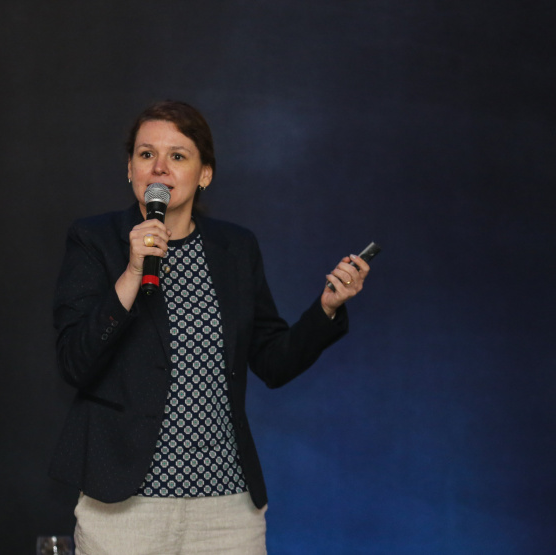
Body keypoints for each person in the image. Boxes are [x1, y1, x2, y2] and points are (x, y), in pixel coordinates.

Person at [50, 100, 370, 554]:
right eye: (146, 154)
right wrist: (130, 273)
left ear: (204, 174)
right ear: (129, 168)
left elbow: (273, 361)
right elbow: (75, 361)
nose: (159, 168)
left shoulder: (234, 248)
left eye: (177, 156)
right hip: (125, 508)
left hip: (225, 509)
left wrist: (327, 309)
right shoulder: (96, 240)